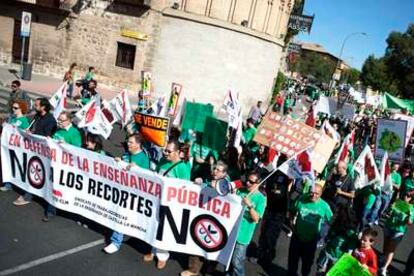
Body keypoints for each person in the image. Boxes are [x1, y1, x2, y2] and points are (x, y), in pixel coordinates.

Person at [143, 139, 191, 270]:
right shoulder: (163, 161)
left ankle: (162, 256)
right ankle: (153, 250)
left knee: (164, 230)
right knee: (155, 225)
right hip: (157, 200)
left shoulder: (183, 168)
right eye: (165, 150)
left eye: (169, 151)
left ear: (177, 152)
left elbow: (185, 188)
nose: (165, 153)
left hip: (171, 205)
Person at [180, 161, 229, 276]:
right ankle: (193, 269)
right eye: (214, 168)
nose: (215, 171)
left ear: (224, 173)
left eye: (218, 170)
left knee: (214, 244)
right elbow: (202, 188)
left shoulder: (227, 184)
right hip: (203, 216)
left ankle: (211, 265)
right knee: (196, 240)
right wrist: (200, 183)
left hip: (217, 220)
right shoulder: (209, 178)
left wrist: (217, 189)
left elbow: (229, 197)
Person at [103, 133, 150, 253]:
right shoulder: (126, 154)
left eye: (131, 142)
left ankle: (116, 242)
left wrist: (137, 169)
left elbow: (147, 178)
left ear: (138, 144)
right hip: (122, 190)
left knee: (123, 216)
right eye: (128, 142)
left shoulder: (143, 159)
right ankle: (116, 240)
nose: (128, 144)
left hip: (134, 194)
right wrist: (118, 162)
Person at [13, 98, 57, 206]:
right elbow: (32, 127)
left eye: (37, 105)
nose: (34, 107)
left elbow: (47, 136)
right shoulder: (37, 116)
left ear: (43, 107)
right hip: (34, 148)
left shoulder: (50, 120)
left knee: (37, 173)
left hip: (43, 151)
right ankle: (30, 193)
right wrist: (29, 130)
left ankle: (29, 196)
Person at [42, 111, 82, 222]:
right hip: (55, 162)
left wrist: (66, 145)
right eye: (58, 119)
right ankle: (51, 210)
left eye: (61, 120)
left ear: (69, 121)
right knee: (53, 185)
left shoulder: (74, 133)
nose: (59, 122)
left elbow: (78, 151)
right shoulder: (59, 129)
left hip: (66, 166)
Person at [226, 171, 266, 276]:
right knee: (228, 260)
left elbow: (256, 219)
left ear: (258, 183)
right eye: (247, 180)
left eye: (251, 182)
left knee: (237, 262)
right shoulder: (241, 191)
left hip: (243, 236)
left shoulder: (261, 199)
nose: (247, 183)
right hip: (232, 232)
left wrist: (250, 206)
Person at [288, 184, 333, 276]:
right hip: (297, 236)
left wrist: (326, 236)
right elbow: (292, 210)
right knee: (292, 261)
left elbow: (331, 221)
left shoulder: (324, 206)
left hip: (311, 240)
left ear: (321, 194)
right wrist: (291, 221)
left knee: (306, 264)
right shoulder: (301, 199)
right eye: (312, 192)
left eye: (317, 193)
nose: (313, 195)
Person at [257, 167, 291, 265]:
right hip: (268, 209)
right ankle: (260, 255)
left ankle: (269, 256)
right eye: (280, 159)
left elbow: (290, 185)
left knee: (272, 235)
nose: (281, 163)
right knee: (263, 233)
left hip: (279, 212)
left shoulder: (289, 178)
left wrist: (290, 181)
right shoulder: (271, 174)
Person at [0, 100, 30, 192]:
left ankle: (14, 184)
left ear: (22, 109)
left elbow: (26, 134)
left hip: (18, 148)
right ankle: (8, 184)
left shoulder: (24, 120)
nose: (13, 109)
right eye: (13, 107)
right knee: (8, 164)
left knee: (15, 166)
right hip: (9, 146)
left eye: (16, 108)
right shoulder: (13, 119)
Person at [380, 194, 414, 276]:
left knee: (391, 250)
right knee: (386, 246)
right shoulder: (398, 202)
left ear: (411, 199)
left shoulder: (411, 208)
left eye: (408, 197)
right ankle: (383, 258)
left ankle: (384, 268)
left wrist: (409, 214)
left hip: (398, 231)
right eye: (405, 195)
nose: (406, 197)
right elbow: (388, 213)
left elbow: (409, 223)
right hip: (388, 226)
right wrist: (390, 208)